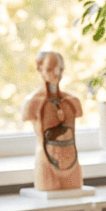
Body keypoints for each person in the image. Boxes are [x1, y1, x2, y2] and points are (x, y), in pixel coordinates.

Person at [22, 50, 82, 191]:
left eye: (60, 69)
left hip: (72, 162)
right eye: (50, 69)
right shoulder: (33, 103)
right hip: (46, 165)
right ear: (39, 68)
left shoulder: (72, 102)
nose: (56, 74)